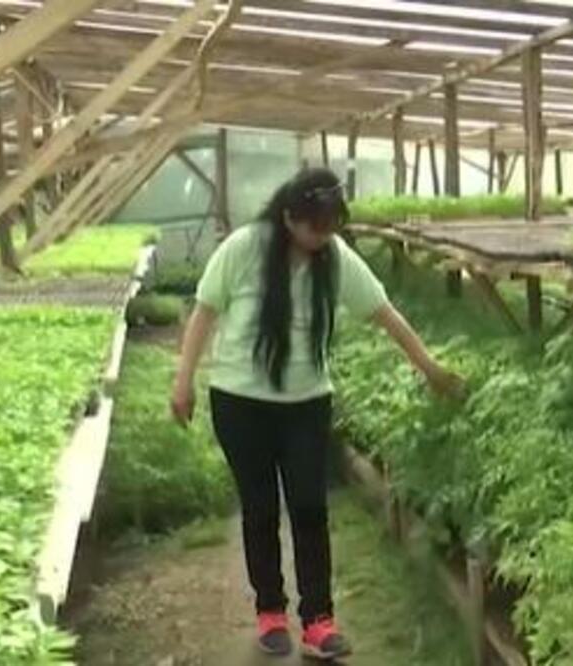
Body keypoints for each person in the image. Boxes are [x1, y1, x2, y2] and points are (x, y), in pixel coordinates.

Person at [170, 167, 464, 659]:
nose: (324, 236)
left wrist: (429, 368)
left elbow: (383, 312)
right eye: (316, 227)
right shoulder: (244, 248)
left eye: (331, 227)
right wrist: (182, 382)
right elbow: (204, 312)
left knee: (309, 508)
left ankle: (318, 622)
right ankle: (270, 614)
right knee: (261, 508)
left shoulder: (334, 258)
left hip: (306, 404)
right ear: (289, 217)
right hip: (240, 403)